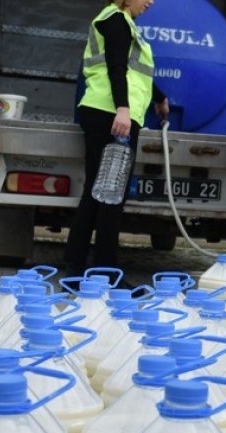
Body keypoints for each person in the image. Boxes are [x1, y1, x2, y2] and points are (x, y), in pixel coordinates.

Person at [65, 0, 171, 277]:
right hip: (112, 116)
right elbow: (116, 67)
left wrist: (159, 98)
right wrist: (123, 109)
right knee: (111, 196)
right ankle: (105, 274)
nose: (151, 2)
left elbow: (131, 69)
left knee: (96, 192)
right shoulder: (117, 21)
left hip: (106, 113)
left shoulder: (119, 22)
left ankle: (76, 269)